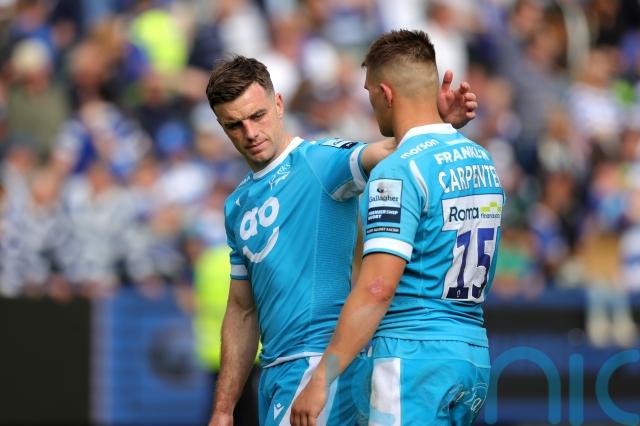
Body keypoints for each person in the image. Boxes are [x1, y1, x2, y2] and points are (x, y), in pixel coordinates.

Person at [205, 55, 477, 426]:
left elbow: (387, 151)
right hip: (274, 374)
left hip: (321, 367)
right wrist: (223, 409)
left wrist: (437, 124)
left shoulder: (320, 162)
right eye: (234, 125)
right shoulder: (236, 205)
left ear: (279, 104)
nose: (250, 133)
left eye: (258, 116)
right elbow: (242, 310)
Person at [291, 30, 504, 426]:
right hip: (471, 354)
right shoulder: (482, 160)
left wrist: (321, 377)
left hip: (411, 356)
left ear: (386, 94)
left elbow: (377, 288)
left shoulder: (396, 172)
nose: (371, 105)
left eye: (370, 93)